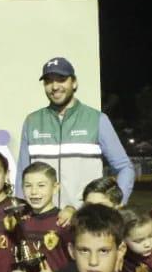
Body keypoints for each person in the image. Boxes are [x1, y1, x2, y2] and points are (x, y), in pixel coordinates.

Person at [15, 57, 135, 208]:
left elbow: (124, 167)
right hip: (43, 217)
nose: (55, 86)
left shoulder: (97, 119)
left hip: (86, 216)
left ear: (74, 83)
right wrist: (21, 209)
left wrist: (117, 204)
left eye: (61, 79)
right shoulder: (32, 121)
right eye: (49, 81)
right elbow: (22, 174)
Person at [11, 162, 76, 272]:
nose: (34, 192)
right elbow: (18, 256)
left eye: (41, 185)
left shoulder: (64, 221)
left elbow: (79, 262)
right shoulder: (21, 220)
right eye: (28, 186)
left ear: (55, 187)